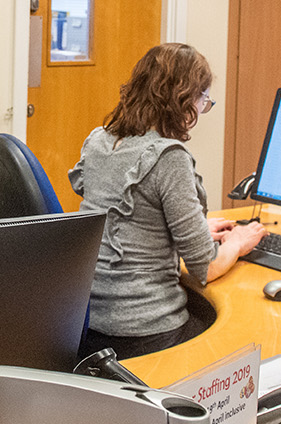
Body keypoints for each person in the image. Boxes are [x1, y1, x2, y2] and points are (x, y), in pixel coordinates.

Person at [70, 43, 267, 360]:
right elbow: (207, 268)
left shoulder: (98, 141)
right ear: (184, 101)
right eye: (203, 101)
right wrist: (238, 243)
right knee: (245, 333)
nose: (201, 110)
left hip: (90, 327)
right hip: (147, 331)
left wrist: (196, 228)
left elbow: (128, 221)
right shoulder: (167, 157)